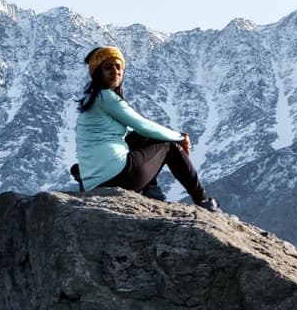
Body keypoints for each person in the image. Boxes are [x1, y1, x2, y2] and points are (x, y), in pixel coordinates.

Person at [74, 46, 221, 212]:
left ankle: (152, 191)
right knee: (169, 147)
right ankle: (203, 200)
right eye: (108, 67)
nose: (115, 71)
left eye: (118, 67)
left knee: (138, 138)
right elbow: (143, 125)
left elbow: (137, 133)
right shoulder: (106, 97)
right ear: (97, 72)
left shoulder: (92, 100)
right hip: (118, 176)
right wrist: (179, 137)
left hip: (96, 183)